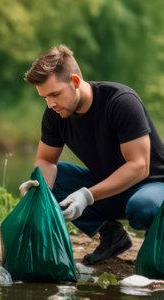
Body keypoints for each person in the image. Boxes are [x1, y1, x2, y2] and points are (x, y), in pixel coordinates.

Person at [19, 45, 164, 264]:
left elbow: (139, 166)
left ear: (75, 82)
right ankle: (112, 236)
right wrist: (38, 193)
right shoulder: (54, 114)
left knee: (142, 207)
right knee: (54, 179)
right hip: (110, 189)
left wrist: (87, 195)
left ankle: (157, 242)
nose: (50, 104)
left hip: (151, 186)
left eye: (54, 94)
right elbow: (46, 160)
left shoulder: (120, 101)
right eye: (44, 97)